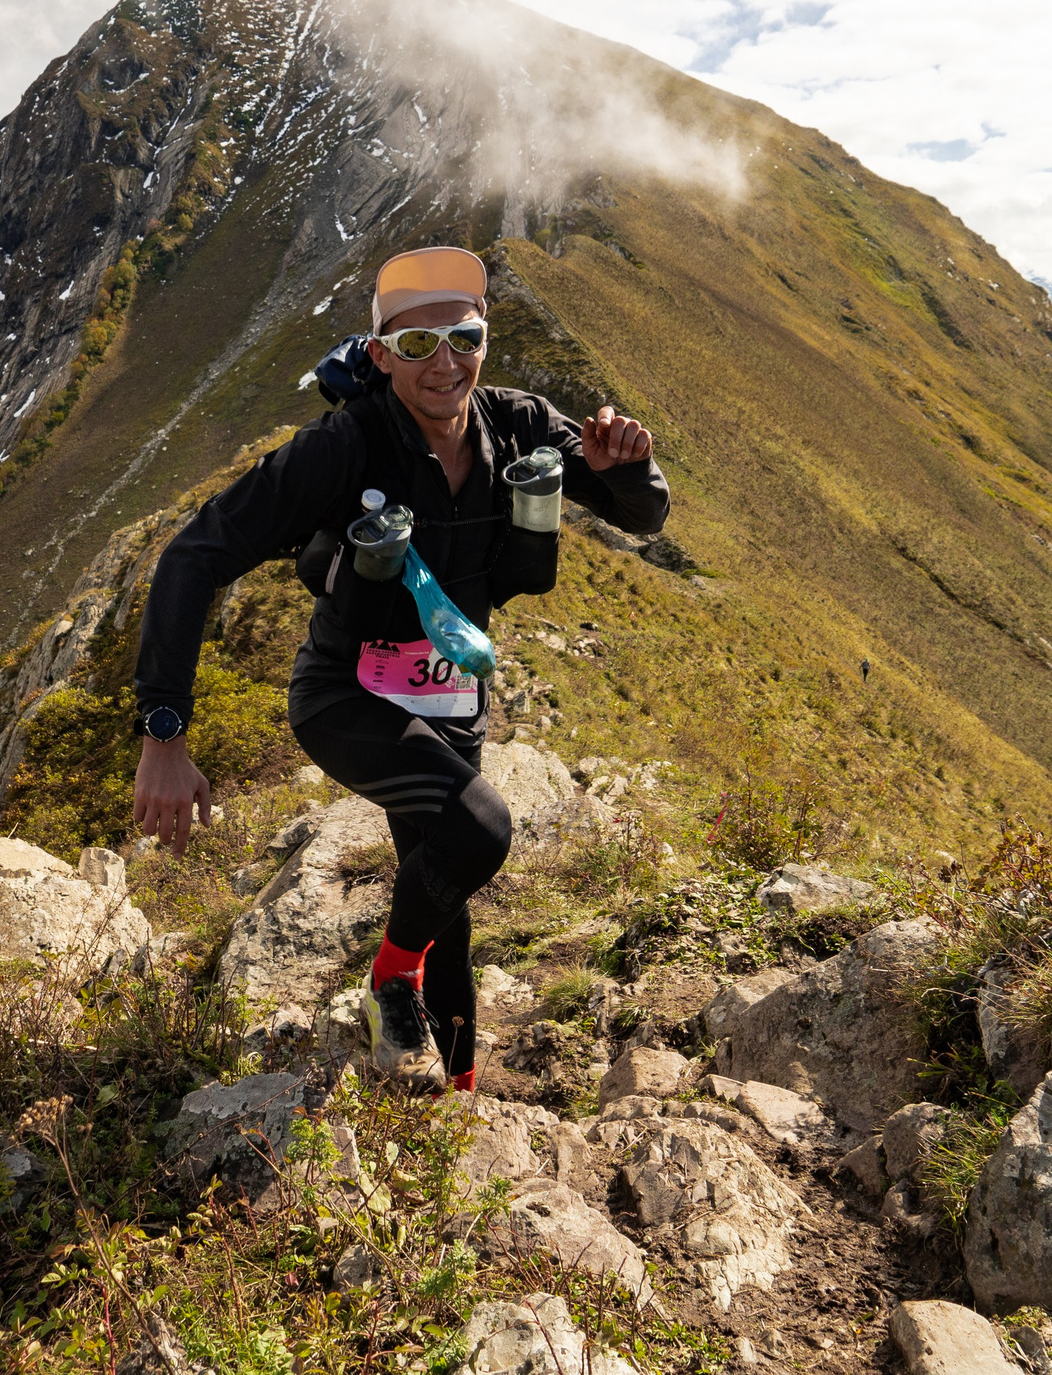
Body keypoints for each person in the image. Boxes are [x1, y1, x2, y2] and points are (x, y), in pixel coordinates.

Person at [129, 245, 668, 1090]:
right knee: (482, 829)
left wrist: (626, 467)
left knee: (445, 898)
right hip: (344, 694)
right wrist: (165, 732)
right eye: (417, 346)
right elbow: (192, 557)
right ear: (379, 355)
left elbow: (643, 514)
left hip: (453, 697)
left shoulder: (521, 423)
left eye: (463, 337)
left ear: (486, 337)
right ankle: (389, 975)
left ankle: (455, 1093)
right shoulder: (342, 449)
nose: (445, 363)